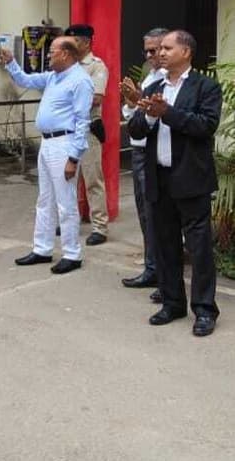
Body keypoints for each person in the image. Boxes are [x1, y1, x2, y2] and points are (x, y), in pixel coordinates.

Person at [128, 30, 222, 336]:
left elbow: (205, 126)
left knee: (199, 248)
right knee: (165, 244)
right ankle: (172, 303)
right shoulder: (154, 86)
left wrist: (166, 113)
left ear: (186, 52)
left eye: (168, 48)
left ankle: (204, 310)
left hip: (191, 178)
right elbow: (137, 130)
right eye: (160, 49)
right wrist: (148, 115)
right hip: (159, 178)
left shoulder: (205, 86)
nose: (161, 53)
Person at [0, 37, 93, 274]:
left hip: (64, 144)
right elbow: (25, 80)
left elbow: (83, 121)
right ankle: (42, 248)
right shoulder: (52, 77)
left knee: (66, 202)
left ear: (66, 54)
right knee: (45, 200)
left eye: (52, 51)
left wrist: (73, 158)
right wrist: (11, 63)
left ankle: (72, 253)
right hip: (48, 143)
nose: (48, 55)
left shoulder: (80, 80)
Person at [120, 28, 168, 294]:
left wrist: (138, 101)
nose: (150, 55)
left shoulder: (170, 80)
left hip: (154, 153)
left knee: (157, 217)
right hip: (138, 150)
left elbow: (160, 117)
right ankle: (152, 268)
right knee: (144, 214)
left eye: (156, 50)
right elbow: (135, 117)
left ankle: (163, 273)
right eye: (147, 50)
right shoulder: (150, 74)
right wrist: (131, 102)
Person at [65, 24, 109, 245]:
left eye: (74, 41)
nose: (69, 45)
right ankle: (67, 221)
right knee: (66, 180)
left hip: (88, 130)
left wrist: (65, 101)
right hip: (67, 130)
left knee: (93, 180)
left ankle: (100, 227)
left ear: (86, 42)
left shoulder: (96, 66)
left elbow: (96, 98)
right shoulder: (66, 66)